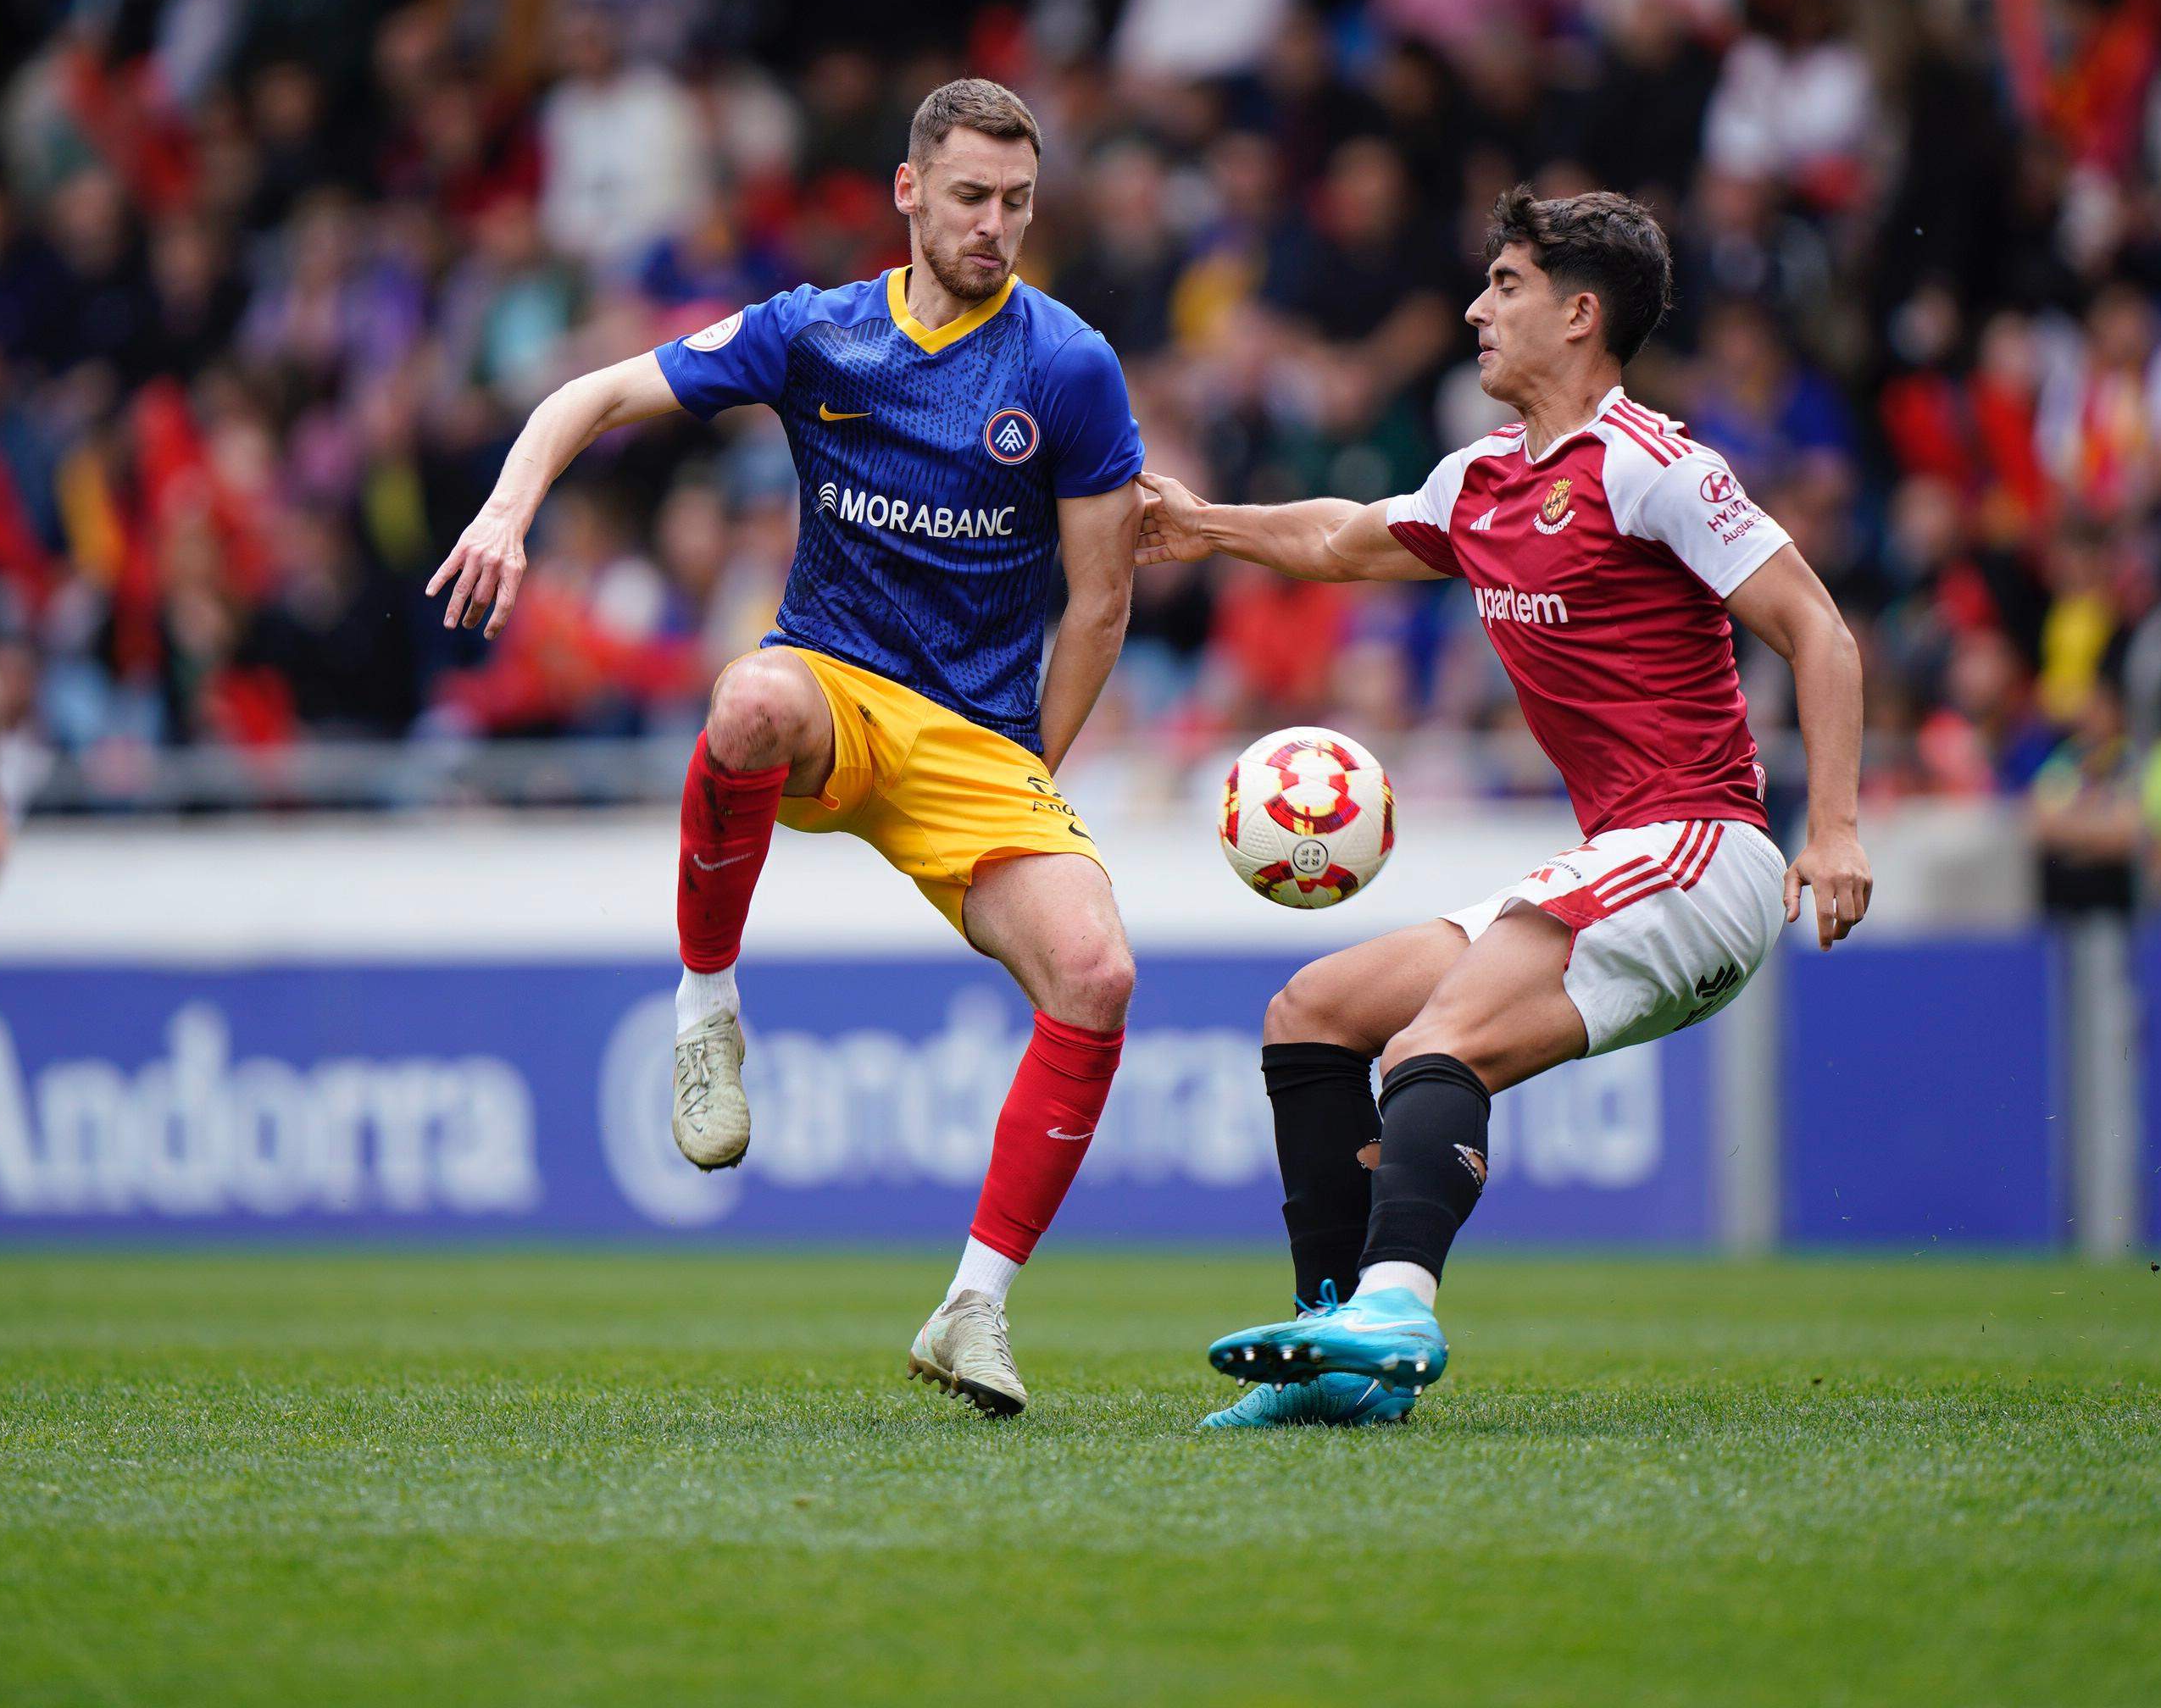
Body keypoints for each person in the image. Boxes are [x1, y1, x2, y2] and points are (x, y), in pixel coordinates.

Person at [431, 79, 1144, 1416]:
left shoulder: (1067, 366)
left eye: (1019, 203)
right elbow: (589, 394)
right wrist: (508, 511)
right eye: (973, 197)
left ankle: (972, 1310)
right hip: (834, 688)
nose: (996, 225)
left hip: (981, 742)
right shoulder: (815, 333)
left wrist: (1030, 765)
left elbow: (1101, 599)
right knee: (746, 701)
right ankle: (705, 1011)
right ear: (909, 193)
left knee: (1098, 973)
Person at [1136, 190, 1872, 1423]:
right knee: (1312, 1016)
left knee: (1436, 1044)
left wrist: (1837, 826)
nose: (1476, 310)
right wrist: (1204, 525)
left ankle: (1398, 1306)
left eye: (1507, 287)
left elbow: (1819, 631)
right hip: (1619, 857)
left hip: (1700, 847)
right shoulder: (1480, 482)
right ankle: (1335, 1361)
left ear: (1581, 315)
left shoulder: (1655, 466)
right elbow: (1340, 540)